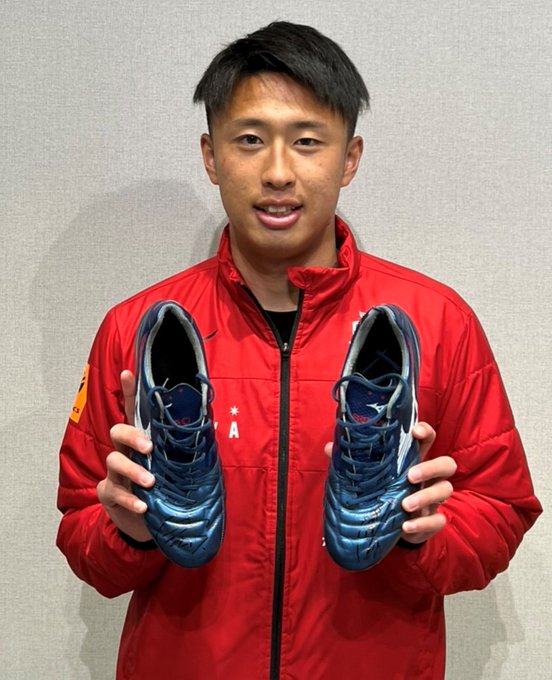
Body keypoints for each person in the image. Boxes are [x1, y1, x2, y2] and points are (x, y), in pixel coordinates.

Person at [56, 21, 541, 680]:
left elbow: (502, 511)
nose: (278, 172)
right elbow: (81, 529)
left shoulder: (439, 322)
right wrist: (128, 531)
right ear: (211, 156)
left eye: (307, 141)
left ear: (350, 158)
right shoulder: (133, 329)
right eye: (250, 140)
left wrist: (424, 536)